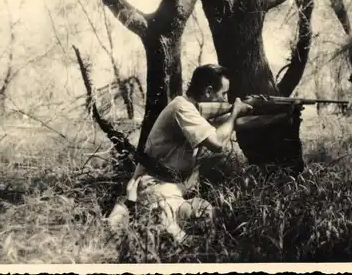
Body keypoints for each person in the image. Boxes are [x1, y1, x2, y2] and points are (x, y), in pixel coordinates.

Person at [108, 64, 254, 243]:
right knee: (177, 237)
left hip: (174, 191)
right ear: (208, 91)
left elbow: (237, 123)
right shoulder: (182, 108)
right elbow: (217, 143)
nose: (226, 99)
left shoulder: (192, 110)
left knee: (212, 216)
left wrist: (281, 114)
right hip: (156, 190)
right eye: (224, 94)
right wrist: (235, 112)